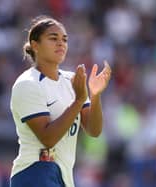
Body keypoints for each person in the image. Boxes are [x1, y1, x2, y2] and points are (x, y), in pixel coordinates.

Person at [9, 15, 111, 187]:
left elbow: (93, 130)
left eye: (64, 39)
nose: (61, 43)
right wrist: (78, 101)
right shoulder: (27, 84)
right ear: (35, 45)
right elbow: (48, 139)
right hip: (34, 171)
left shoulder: (71, 80)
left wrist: (95, 95)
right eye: (53, 38)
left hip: (63, 176)